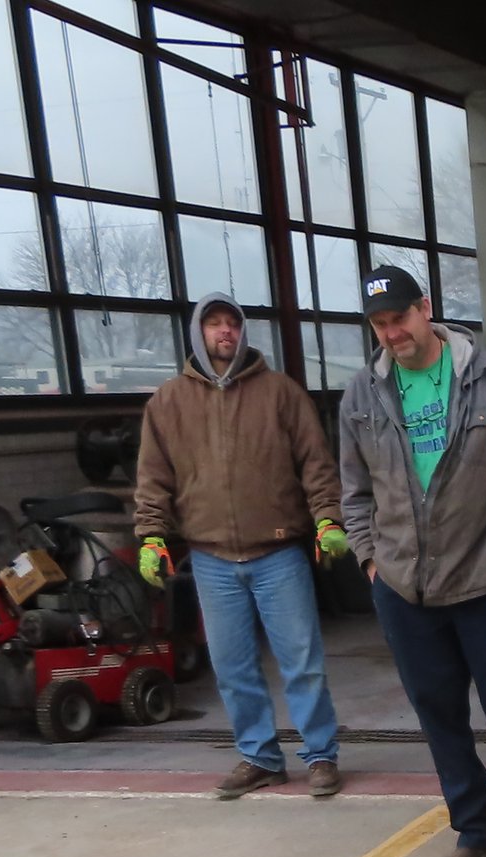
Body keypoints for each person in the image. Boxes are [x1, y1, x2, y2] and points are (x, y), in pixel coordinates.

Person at [338, 265, 486, 857]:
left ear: (426, 308)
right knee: (440, 719)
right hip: (403, 587)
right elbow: (354, 492)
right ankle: (476, 832)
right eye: (380, 325)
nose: (392, 333)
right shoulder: (362, 395)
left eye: (400, 318)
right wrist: (370, 560)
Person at [134, 291, 346, 799]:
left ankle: (320, 756)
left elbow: (316, 463)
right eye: (214, 324)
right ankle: (260, 757)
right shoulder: (168, 403)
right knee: (232, 668)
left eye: (232, 322)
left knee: (303, 663)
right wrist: (151, 535)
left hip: (279, 552)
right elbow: (153, 477)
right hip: (210, 558)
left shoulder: (280, 393)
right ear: (198, 333)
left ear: (243, 331)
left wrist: (328, 519)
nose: (224, 331)